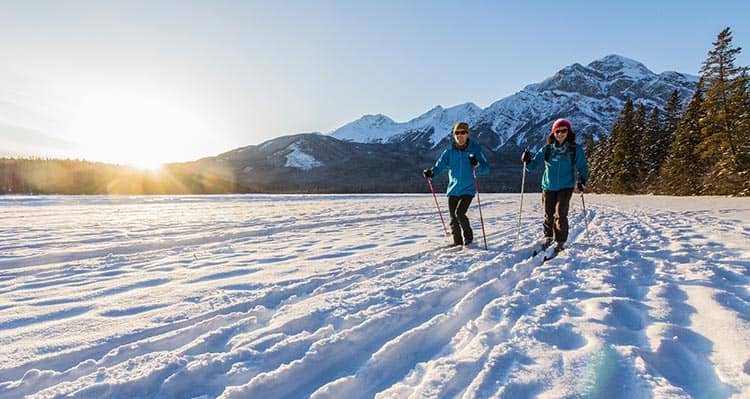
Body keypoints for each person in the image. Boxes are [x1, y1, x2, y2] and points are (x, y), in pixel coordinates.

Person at [521, 118, 589, 252]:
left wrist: (582, 180)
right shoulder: (547, 149)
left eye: (564, 130)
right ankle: (548, 236)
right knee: (548, 213)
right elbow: (532, 166)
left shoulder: (574, 149)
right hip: (548, 186)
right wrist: (527, 160)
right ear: (553, 133)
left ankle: (560, 240)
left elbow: (582, 166)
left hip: (566, 186)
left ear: (568, 132)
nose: (560, 134)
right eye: (557, 131)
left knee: (561, 213)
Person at [423, 122, 490, 246]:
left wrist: (477, 165)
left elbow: (486, 168)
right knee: (453, 218)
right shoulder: (449, 152)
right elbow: (439, 167)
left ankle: (468, 238)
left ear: (467, 134)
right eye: (457, 133)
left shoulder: (475, 150)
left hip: (468, 189)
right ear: (454, 135)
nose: (460, 135)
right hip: (453, 189)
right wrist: (431, 173)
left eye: (462, 133)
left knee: (459, 213)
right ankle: (457, 243)